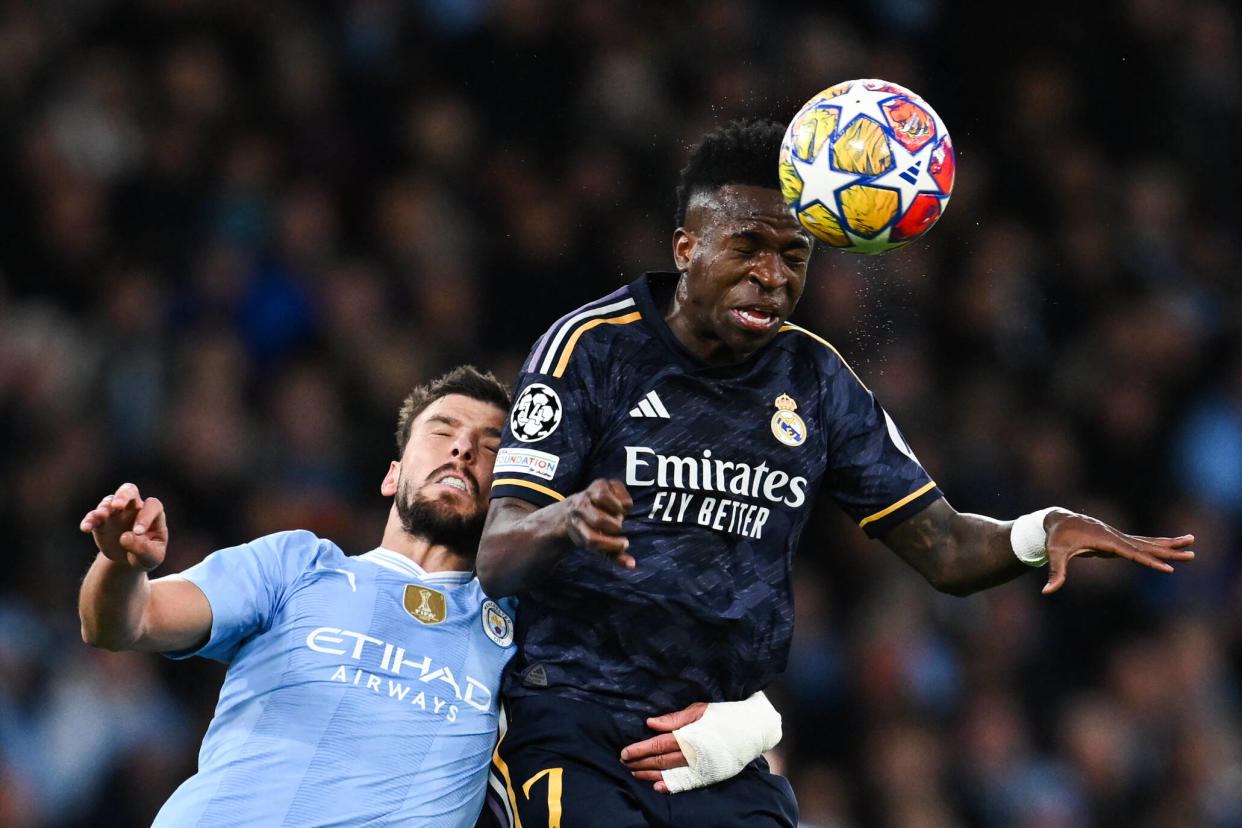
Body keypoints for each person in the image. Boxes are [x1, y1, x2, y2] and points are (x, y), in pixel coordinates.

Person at [475, 119, 1196, 827]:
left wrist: (1042, 529)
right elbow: (498, 552)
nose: (772, 276)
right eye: (748, 248)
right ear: (686, 247)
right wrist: (566, 518)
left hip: (716, 744)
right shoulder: (591, 349)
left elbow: (944, 548)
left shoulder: (816, 380)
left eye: (794, 257)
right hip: (574, 724)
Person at [78, 365, 776, 827]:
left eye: (490, 445)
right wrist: (117, 564)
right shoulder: (297, 564)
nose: (463, 450)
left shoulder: (528, 622)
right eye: (441, 432)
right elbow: (125, 622)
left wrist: (742, 727)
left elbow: (721, 704)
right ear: (392, 474)